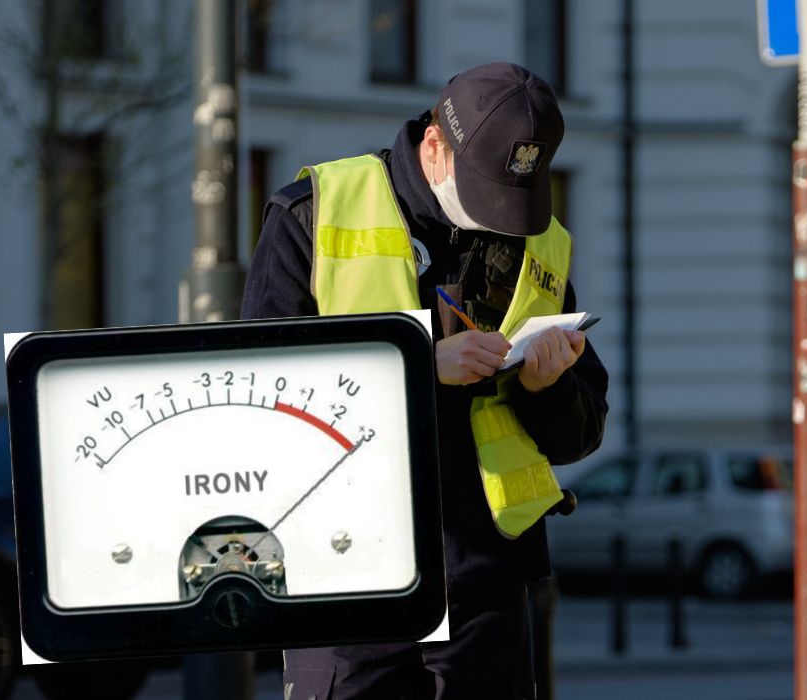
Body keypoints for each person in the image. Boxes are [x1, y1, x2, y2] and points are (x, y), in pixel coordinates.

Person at [242, 62, 609, 700]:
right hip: (345, 578)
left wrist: (550, 387)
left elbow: (581, 435)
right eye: (484, 191)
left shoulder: (536, 238)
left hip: (485, 583)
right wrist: (418, 366)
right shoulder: (315, 212)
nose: (498, 216)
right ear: (434, 146)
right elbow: (259, 399)